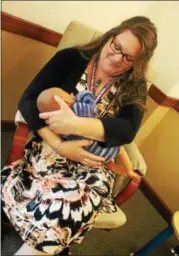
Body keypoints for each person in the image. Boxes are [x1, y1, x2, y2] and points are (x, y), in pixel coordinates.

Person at [1, 16, 157, 255]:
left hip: (94, 165)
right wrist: (60, 145)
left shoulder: (134, 85)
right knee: (50, 199)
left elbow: (127, 130)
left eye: (128, 58)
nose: (117, 59)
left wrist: (76, 124)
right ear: (110, 36)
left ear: (136, 63)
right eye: (117, 47)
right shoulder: (71, 58)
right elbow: (28, 102)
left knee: (74, 204)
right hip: (50, 148)